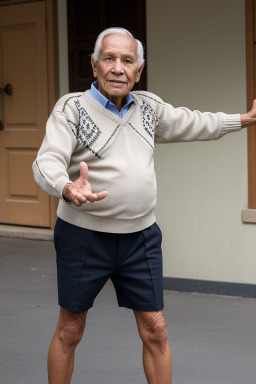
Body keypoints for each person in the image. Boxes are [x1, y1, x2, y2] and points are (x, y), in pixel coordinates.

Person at [33, 27, 256, 384]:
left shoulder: (149, 107)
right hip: (83, 235)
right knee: (69, 331)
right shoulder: (72, 108)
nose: (117, 68)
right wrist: (67, 186)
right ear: (94, 66)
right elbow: (47, 161)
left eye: (127, 61)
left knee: (156, 330)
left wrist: (244, 119)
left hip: (141, 238)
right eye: (109, 59)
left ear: (138, 71)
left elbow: (193, 121)